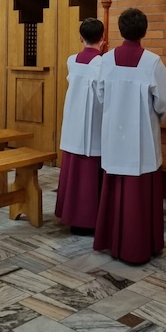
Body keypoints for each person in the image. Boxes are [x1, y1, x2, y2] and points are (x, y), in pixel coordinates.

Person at [93, 8, 166, 264]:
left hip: (114, 136)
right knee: (139, 191)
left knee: (115, 186)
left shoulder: (106, 60)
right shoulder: (152, 62)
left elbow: (100, 94)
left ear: (120, 30)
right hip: (141, 138)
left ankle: (113, 241)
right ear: (144, 31)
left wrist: (114, 111)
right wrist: (157, 117)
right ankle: (140, 245)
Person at [55, 17, 105, 235]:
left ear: (80, 38)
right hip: (93, 126)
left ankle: (71, 216)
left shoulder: (72, 60)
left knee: (73, 173)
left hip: (73, 124)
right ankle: (89, 220)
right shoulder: (102, 64)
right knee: (88, 176)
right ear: (102, 38)